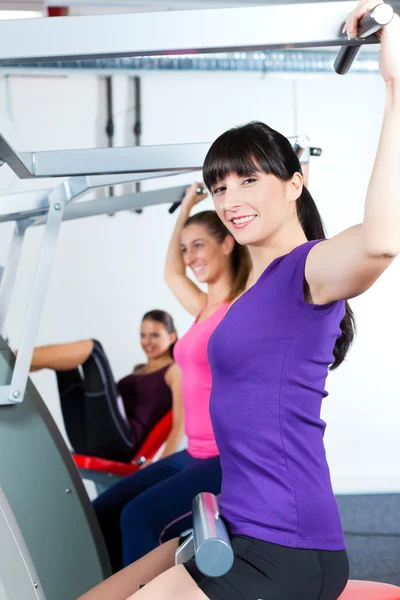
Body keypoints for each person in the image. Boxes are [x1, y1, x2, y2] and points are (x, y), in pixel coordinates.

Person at [78, 2, 400, 598]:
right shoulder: (250, 286)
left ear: (295, 183)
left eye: (249, 179)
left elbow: (382, 243)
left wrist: (394, 85)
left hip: (283, 548)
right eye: (220, 186)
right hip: (238, 521)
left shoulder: (307, 270)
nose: (231, 198)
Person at [92, 188, 252, 572]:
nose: (190, 257)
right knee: (101, 511)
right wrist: (185, 209)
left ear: (228, 244)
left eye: (199, 245)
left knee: (137, 519)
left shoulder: (242, 306)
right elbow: (171, 273)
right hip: (191, 454)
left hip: (225, 457)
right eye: (185, 249)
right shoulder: (203, 308)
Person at [28, 309, 182, 464]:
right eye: (143, 335)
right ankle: (18, 365)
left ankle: (15, 358)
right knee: (64, 364)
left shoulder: (175, 370)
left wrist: (162, 464)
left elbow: (180, 424)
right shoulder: (138, 369)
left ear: (171, 337)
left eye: (155, 335)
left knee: (94, 350)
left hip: (121, 444)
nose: (147, 341)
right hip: (87, 440)